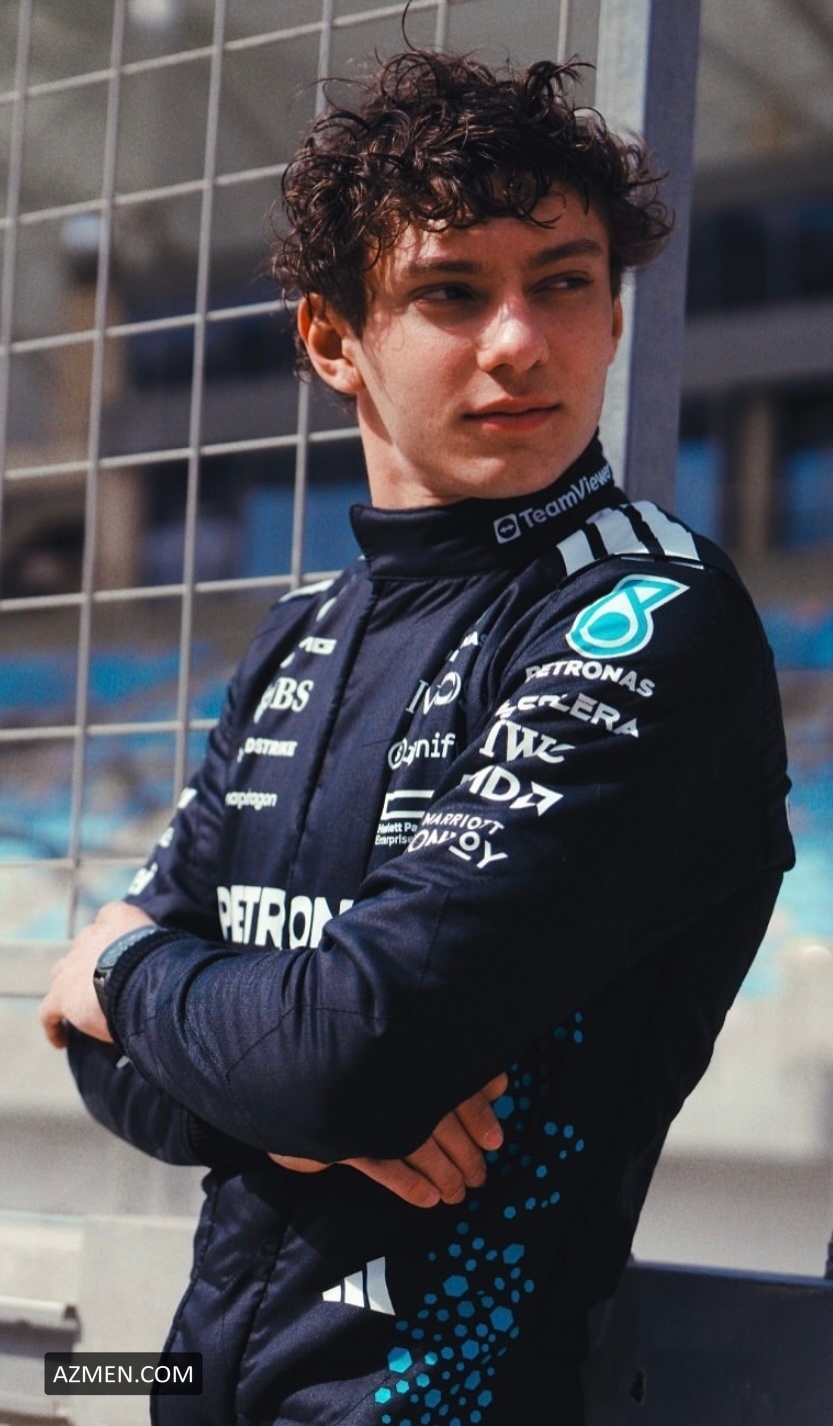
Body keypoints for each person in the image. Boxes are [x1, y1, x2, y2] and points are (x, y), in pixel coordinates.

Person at [40, 46, 794, 1426]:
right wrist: (282, 1101)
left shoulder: (648, 618)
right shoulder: (298, 636)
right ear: (333, 339)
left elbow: (345, 1054)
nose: (520, 342)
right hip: (181, 1382)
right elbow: (106, 1066)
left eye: (563, 283)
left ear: (613, 317)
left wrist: (121, 965)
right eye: (452, 293)